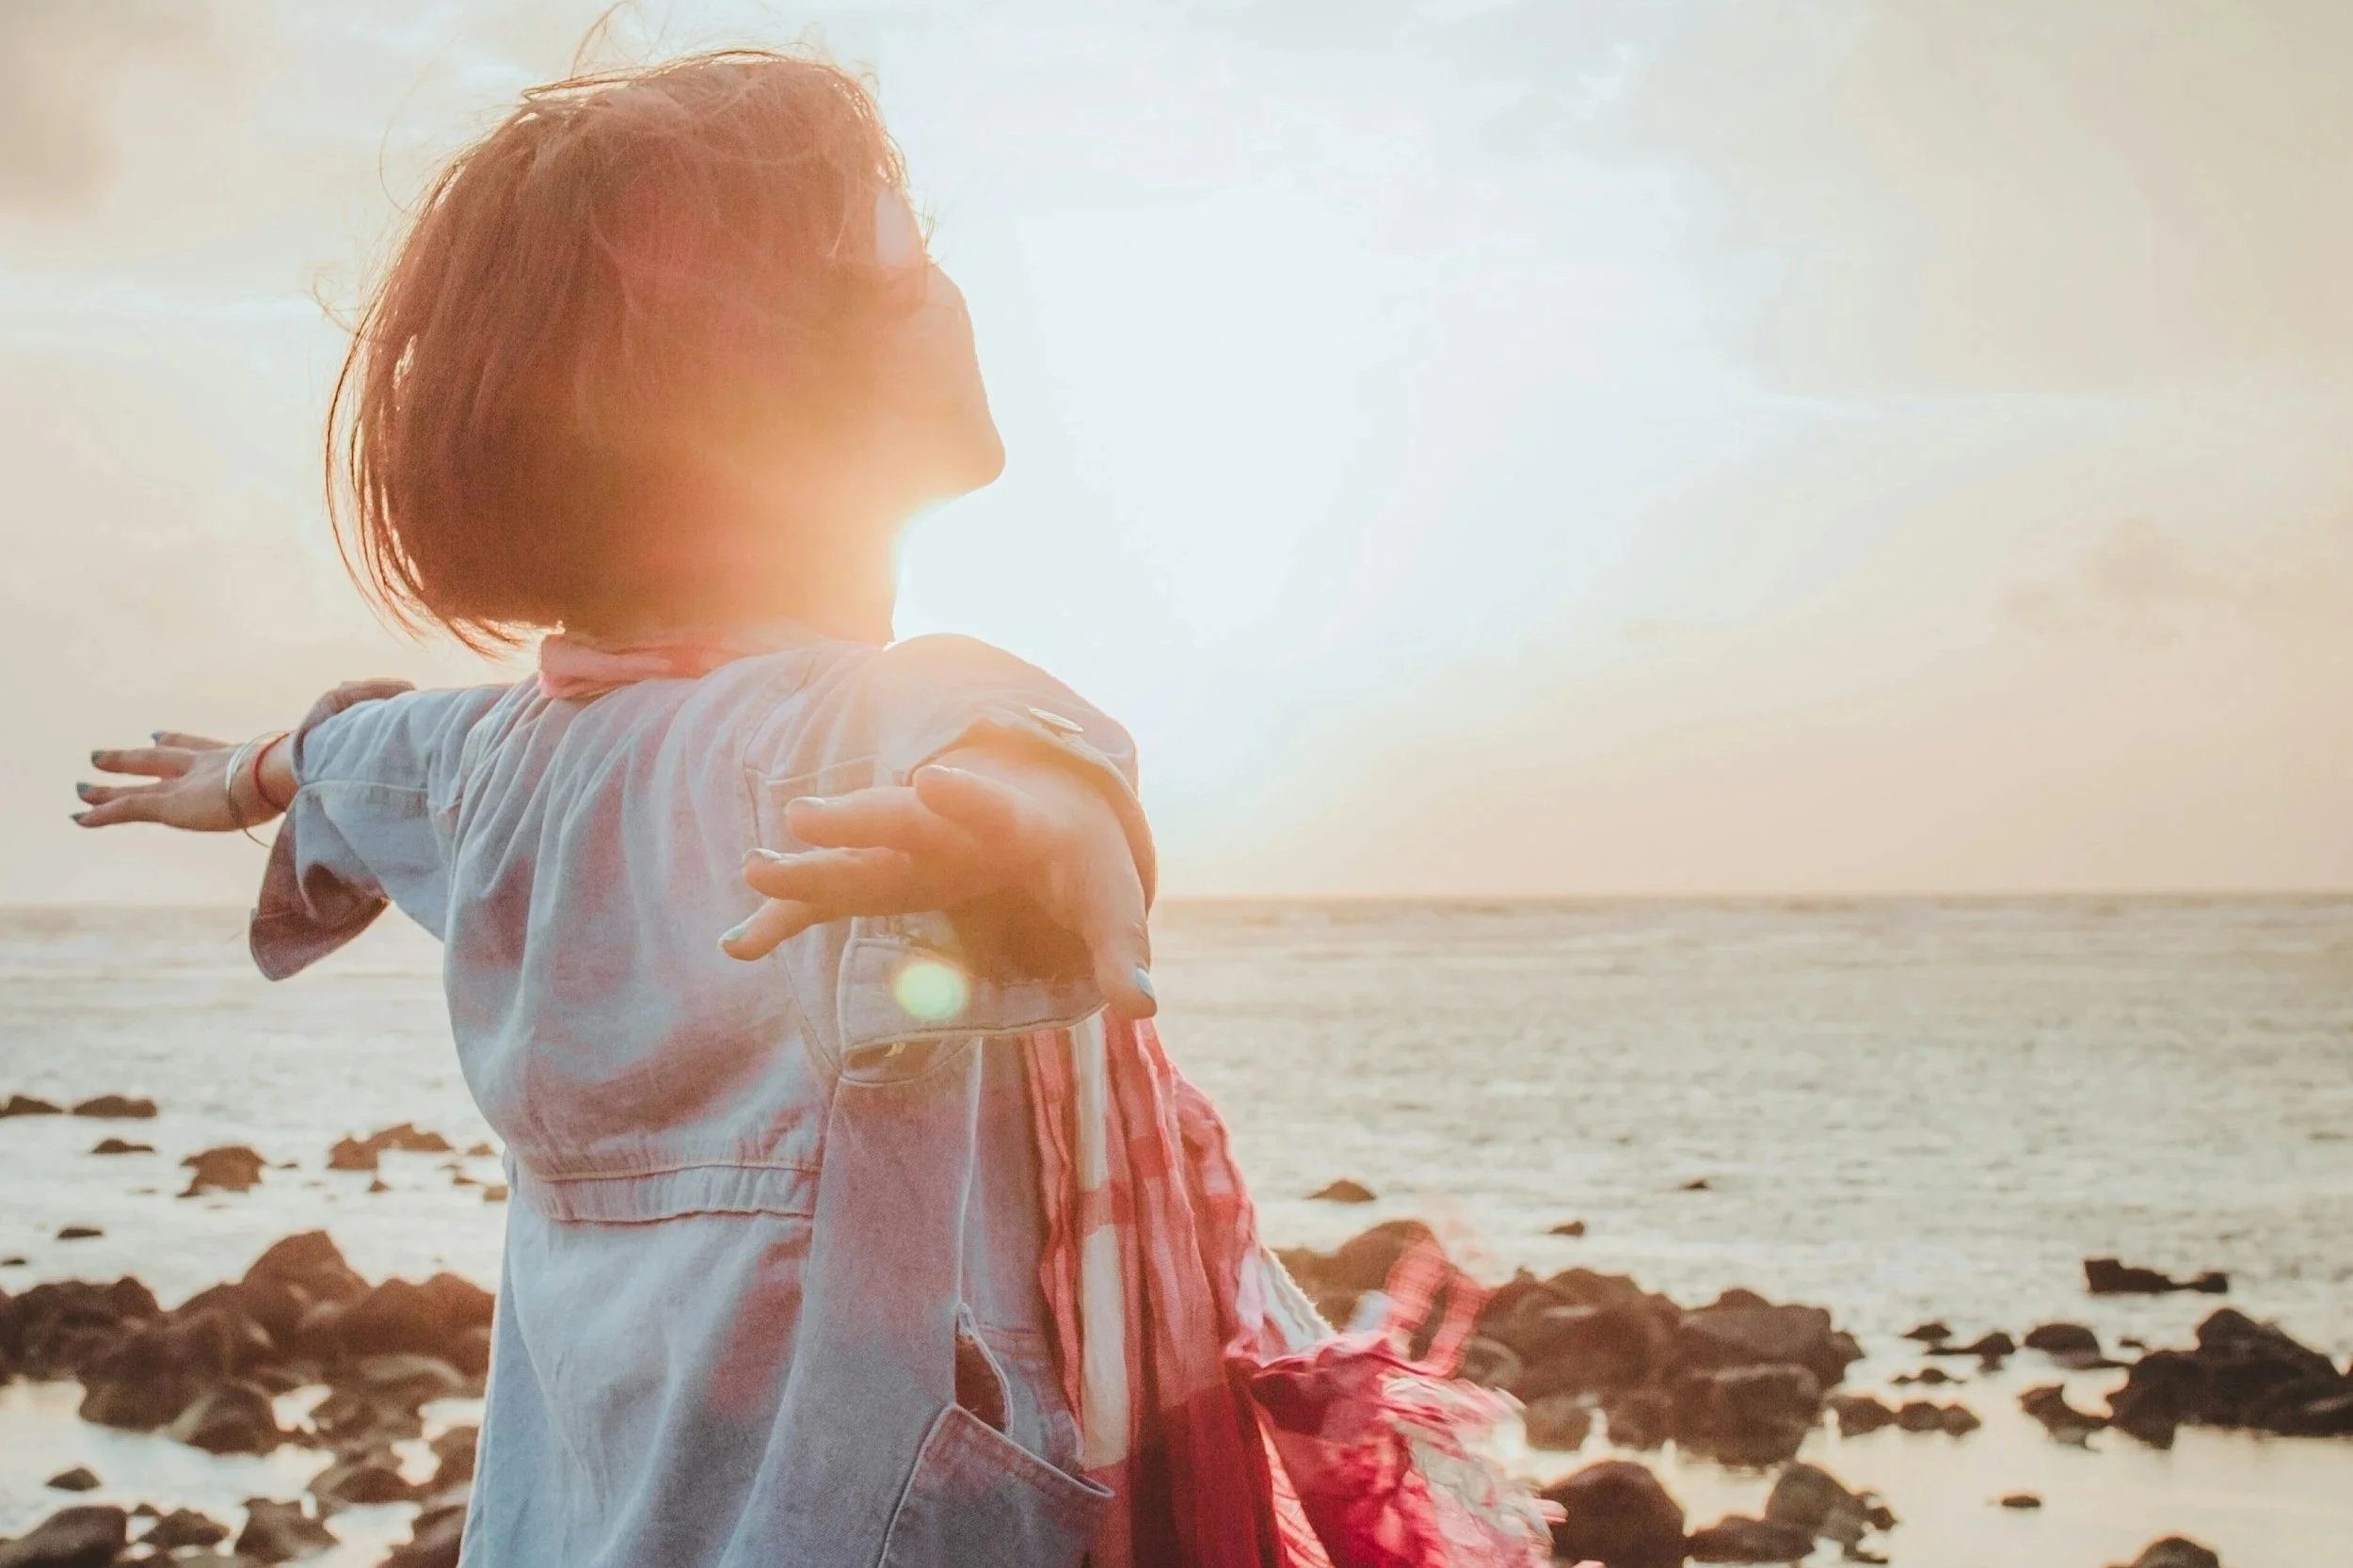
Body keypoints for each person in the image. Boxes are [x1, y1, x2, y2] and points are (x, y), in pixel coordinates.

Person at [75, 51, 1164, 1568]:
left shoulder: (508, 760)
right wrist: (1035, 823)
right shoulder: (845, 731)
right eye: (903, 248)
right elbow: (998, 736)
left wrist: (257, 769)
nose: (945, 284)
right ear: (763, 378)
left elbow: (369, 751)